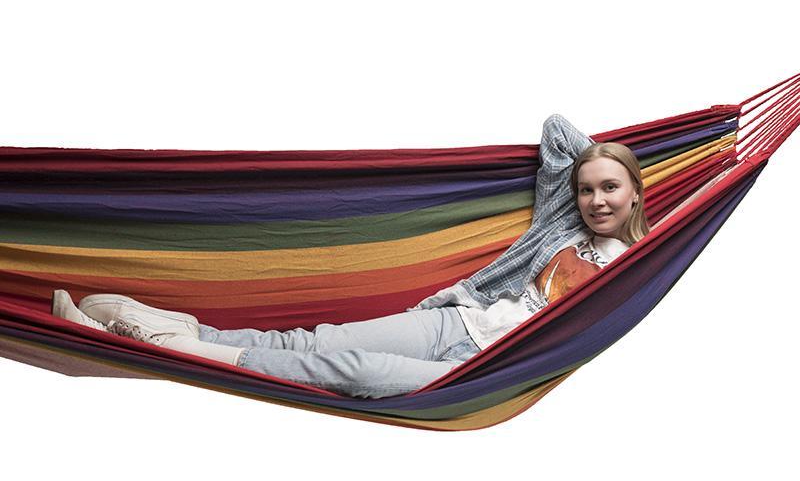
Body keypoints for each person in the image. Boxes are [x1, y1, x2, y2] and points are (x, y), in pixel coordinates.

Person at [51, 114, 649, 399]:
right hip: (454, 320)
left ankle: (157, 343)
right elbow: (556, 132)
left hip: (484, 368)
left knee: (356, 372)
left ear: (635, 194)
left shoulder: (636, 269)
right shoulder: (560, 225)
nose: (596, 199)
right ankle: (160, 329)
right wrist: (608, 158)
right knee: (315, 342)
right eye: (586, 187)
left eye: (610, 188)